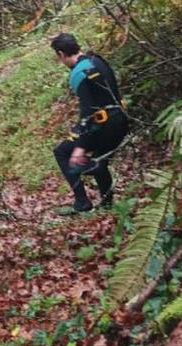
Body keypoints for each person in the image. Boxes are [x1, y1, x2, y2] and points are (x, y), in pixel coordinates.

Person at [51, 33, 129, 214]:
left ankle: (82, 201)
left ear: (61, 54)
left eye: (59, 57)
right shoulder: (97, 60)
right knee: (99, 161)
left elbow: (87, 112)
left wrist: (80, 146)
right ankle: (108, 205)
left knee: (62, 152)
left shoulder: (79, 73)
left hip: (104, 125)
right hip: (120, 121)